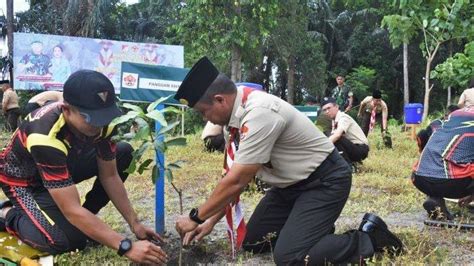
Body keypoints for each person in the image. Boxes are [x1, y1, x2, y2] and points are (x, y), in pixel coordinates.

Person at [174, 57, 402, 265]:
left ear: (220, 100)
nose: (206, 119)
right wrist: (210, 221)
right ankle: (313, 229)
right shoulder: (233, 120)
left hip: (324, 181)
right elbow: (233, 180)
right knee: (252, 242)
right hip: (288, 188)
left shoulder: (259, 112)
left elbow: (238, 180)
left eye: (204, 112)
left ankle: (370, 238)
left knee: (290, 258)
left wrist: (196, 217)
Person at [0, 70, 167, 264]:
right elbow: (71, 209)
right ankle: (7, 213)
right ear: (66, 109)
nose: (99, 125)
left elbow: (110, 176)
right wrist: (125, 246)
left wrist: (135, 224)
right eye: (90, 118)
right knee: (65, 240)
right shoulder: (45, 135)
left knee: (124, 153)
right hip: (25, 181)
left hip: (62, 164)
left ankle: (85, 220)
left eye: (104, 116)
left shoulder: (104, 123)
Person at [412, 107, 473, 221]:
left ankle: (434, 198)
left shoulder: (455, 114)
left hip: (419, 177)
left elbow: (422, 135)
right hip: (454, 182)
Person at [320, 97, 369, 165]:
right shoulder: (334, 120)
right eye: (324, 110)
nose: (327, 111)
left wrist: (322, 147)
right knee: (326, 133)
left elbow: (337, 135)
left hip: (361, 149)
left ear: (336, 106)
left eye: (329, 108)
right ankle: (350, 162)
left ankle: (347, 165)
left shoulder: (343, 118)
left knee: (336, 138)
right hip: (353, 147)